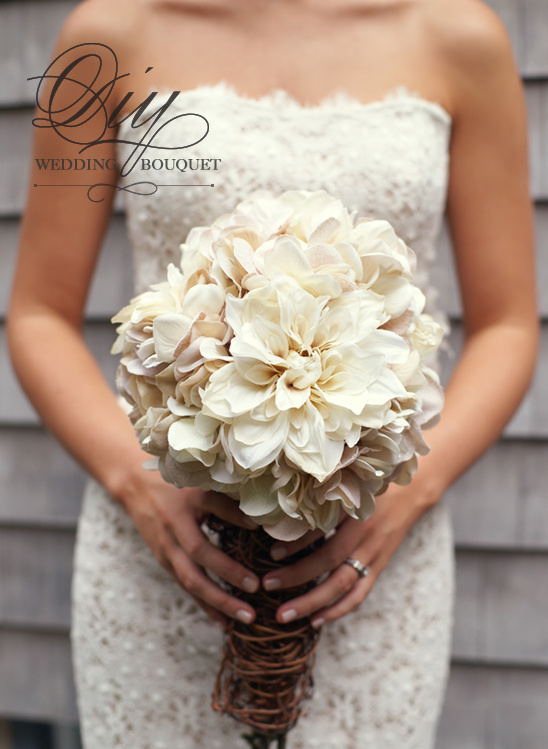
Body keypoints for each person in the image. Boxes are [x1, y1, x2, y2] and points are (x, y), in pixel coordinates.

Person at [7, 0, 538, 747]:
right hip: (163, 544)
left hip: (373, 551)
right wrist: (140, 482)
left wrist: (407, 489)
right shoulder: (107, 34)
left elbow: (510, 323)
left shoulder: (457, 35)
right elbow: (38, 313)